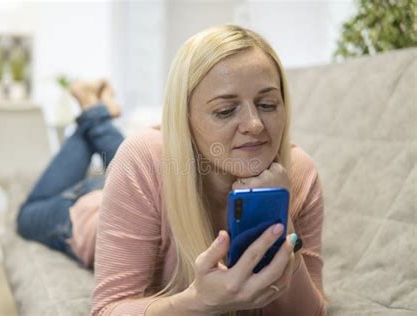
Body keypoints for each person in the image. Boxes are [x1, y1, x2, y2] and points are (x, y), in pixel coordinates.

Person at [91, 25, 327, 315]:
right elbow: (107, 309)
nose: (255, 125)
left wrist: (278, 215)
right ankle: (93, 109)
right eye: (225, 111)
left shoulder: (300, 171)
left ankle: (96, 116)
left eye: (267, 104)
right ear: (184, 117)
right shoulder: (140, 160)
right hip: (84, 215)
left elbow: (313, 313)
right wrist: (197, 303)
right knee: (37, 210)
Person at [17, 79, 124, 267]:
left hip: (102, 198)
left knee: (143, 168)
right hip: (95, 208)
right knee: (26, 217)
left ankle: (96, 114)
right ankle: (96, 114)